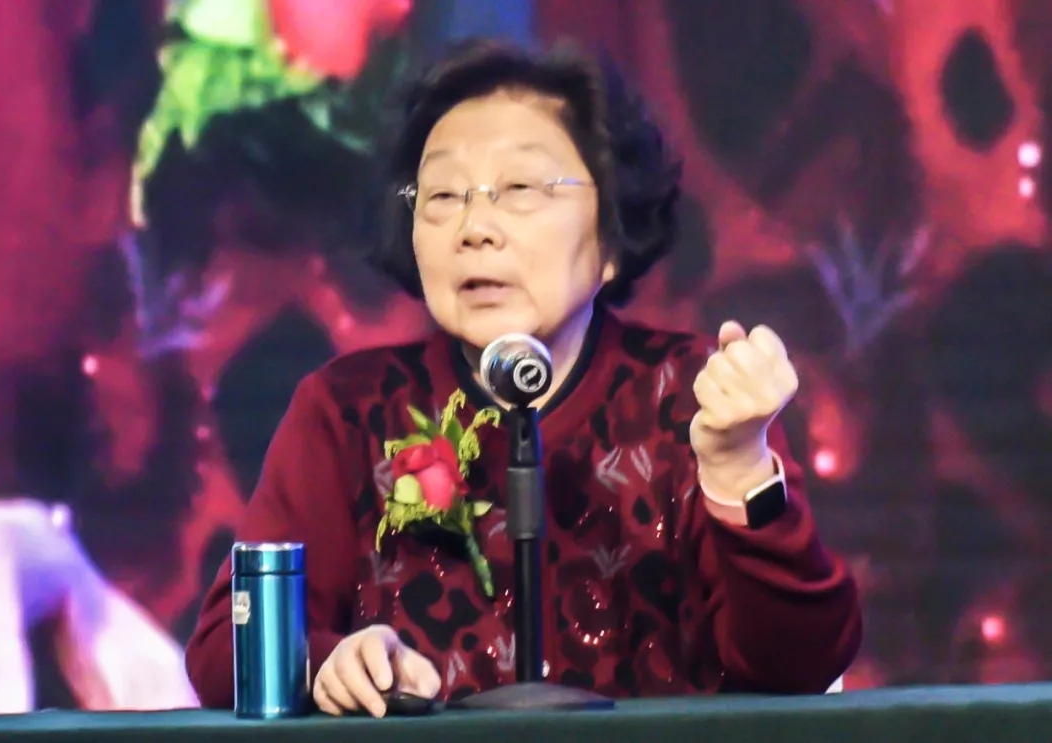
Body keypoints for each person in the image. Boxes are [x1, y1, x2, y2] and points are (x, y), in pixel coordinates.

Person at [185, 39, 862, 716]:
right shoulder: (349, 411)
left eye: (521, 190)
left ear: (610, 234)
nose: (475, 227)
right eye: (443, 195)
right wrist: (325, 662)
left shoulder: (692, 398)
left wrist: (740, 470)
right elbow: (224, 651)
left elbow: (801, 663)